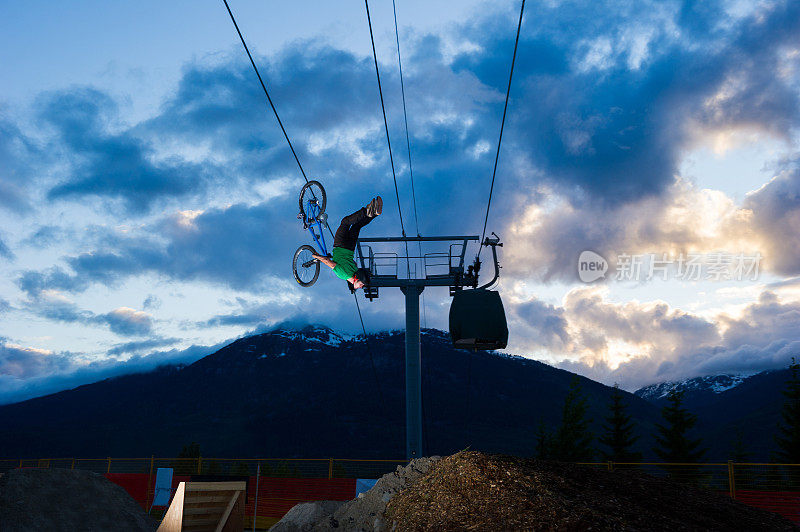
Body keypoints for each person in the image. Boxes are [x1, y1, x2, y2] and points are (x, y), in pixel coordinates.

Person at [313, 196, 382, 290]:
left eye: (361, 286)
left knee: (357, 227)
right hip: (341, 245)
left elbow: (351, 262)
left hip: (350, 248)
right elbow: (329, 263)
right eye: (362, 285)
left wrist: (337, 259)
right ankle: (367, 211)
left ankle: (374, 213)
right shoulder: (344, 275)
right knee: (345, 222)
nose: (361, 287)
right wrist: (317, 256)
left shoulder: (355, 270)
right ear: (356, 280)